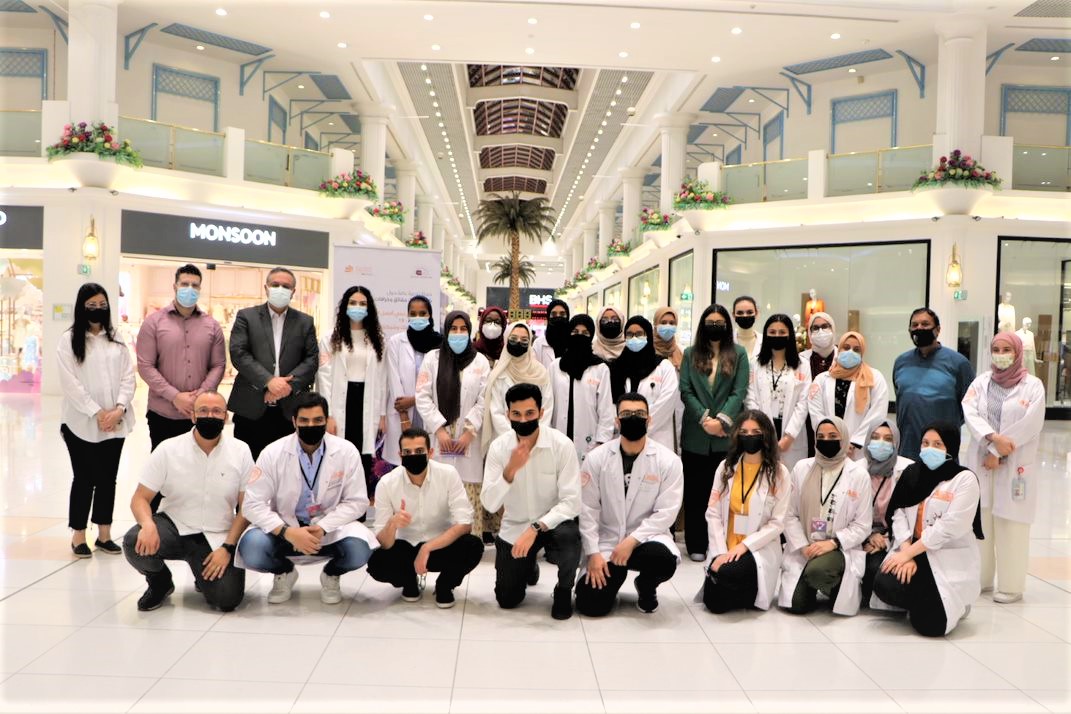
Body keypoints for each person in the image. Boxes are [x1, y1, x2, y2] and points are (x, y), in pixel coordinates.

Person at [237, 392, 377, 605]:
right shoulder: (272, 452)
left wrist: (322, 527)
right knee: (251, 548)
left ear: (327, 420)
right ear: (294, 421)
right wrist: (287, 532)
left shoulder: (346, 451)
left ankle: (331, 574)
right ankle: (284, 572)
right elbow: (251, 504)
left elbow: (358, 501)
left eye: (318, 420)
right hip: (284, 529)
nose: (311, 425)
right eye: (304, 420)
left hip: (328, 529)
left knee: (360, 549)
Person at [123, 391, 252, 612]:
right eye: (203, 411)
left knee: (227, 599)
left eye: (216, 411)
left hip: (217, 534)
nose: (209, 416)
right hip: (174, 526)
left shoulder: (240, 451)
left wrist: (228, 547)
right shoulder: (168, 449)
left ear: (226, 417)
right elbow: (140, 498)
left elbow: (246, 507)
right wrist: (147, 524)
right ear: (192, 416)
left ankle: (202, 575)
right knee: (135, 541)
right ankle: (160, 582)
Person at [575, 393, 683, 616]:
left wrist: (632, 541)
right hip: (608, 541)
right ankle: (615, 575)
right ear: (617, 421)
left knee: (663, 561)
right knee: (590, 605)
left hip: (646, 540)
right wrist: (593, 554)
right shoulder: (597, 459)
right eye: (626, 414)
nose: (633, 418)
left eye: (639, 414)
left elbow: (666, 513)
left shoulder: (668, 461)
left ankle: (646, 585)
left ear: (649, 420)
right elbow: (588, 510)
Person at [871, 423, 983, 636]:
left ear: (950, 447)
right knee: (885, 582)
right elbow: (898, 512)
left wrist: (907, 554)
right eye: (925, 443)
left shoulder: (964, 480)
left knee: (932, 627)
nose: (929, 449)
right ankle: (923, 599)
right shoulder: (912, 473)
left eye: (937, 444)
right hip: (913, 549)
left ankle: (950, 605)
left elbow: (949, 527)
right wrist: (906, 552)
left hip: (946, 554)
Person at [482, 383, 582, 620]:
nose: (523, 419)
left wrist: (536, 527)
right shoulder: (499, 448)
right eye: (516, 414)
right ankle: (529, 567)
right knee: (507, 600)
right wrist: (509, 471)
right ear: (507, 415)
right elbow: (489, 503)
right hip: (515, 525)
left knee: (570, 538)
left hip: (553, 525)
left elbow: (572, 502)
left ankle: (564, 590)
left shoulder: (561, 445)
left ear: (541, 413)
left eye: (530, 413)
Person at [962, 332, 1045, 603]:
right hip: (983, 461)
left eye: (1007, 348)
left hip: (1015, 467)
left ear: (1018, 352)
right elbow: (970, 411)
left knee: (1012, 526)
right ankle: (982, 579)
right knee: (981, 523)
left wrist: (997, 451)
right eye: (996, 348)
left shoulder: (1033, 386)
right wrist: (992, 439)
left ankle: (1011, 586)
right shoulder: (980, 382)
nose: (1001, 353)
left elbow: (1030, 425)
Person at [57, 283, 135, 558]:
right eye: (92, 305)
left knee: (107, 479)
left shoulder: (116, 338)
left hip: (115, 422)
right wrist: (97, 412)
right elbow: (71, 384)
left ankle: (104, 533)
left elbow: (128, 376)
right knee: (84, 477)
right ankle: (78, 534)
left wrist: (119, 409)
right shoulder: (68, 341)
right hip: (81, 423)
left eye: (103, 305)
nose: (98, 310)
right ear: (81, 307)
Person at [368, 428, 483, 608]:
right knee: (377, 562)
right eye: (407, 452)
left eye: (419, 451)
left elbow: (465, 524)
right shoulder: (386, 483)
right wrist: (392, 524)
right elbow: (382, 543)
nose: (413, 456)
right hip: (405, 548)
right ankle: (409, 582)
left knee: (473, 546)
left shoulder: (448, 474)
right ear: (400, 455)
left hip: (440, 546)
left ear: (430, 452)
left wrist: (427, 548)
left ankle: (445, 585)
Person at [779, 416, 871, 615]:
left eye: (832, 436)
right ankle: (815, 584)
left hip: (838, 547)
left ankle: (831, 584)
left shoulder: (858, 474)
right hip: (806, 546)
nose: (825, 440)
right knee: (796, 605)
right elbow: (789, 514)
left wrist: (834, 542)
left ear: (844, 439)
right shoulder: (802, 468)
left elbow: (863, 525)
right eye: (820, 436)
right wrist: (803, 547)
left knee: (818, 572)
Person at [679, 304, 750, 561]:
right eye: (711, 322)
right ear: (702, 325)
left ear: (727, 326)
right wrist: (704, 418)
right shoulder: (689, 354)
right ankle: (696, 543)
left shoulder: (739, 354)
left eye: (720, 322)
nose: (715, 326)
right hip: (696, 435)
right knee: (696, 492)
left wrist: (721, 421)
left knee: (722, 493)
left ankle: (718, 542)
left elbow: (738, 392)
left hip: (725, 435)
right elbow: (685, 390)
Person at [702, 410, 790, 614]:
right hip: (726, 544)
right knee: (713, 603)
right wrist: (720, 552)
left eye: (756, 432)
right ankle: (738, 587)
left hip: (757, 548)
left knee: (727, 575)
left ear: (766, 435)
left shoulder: (778, 473)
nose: (749, 437)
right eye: (744, 432)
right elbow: (713, 514)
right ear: (736, 435)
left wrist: (743, 547)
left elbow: (777, 524)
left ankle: (743, 587)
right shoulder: (726, 468)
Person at [227, 267, 319, 460]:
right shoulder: (247, 316)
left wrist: (287, 386)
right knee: (249, 468)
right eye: (275, 284)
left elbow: (311, 360)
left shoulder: (305, 322)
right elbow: (238, 353)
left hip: (289, 410)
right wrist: (268, 381)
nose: (280, 289)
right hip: (251, 409)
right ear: (266, 288)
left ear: (293, 291)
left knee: (286, 467)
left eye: (286, 286)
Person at [415, 311, 492, 537]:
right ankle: (438, 538)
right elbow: (422, 395)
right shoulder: (433, 358)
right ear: (446, 331)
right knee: (440, 485)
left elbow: (484, 399)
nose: (458, 333)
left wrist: (469, 431)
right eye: (453, 329)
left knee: (468, 488)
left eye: (463, 329)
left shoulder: (480, 361)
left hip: (470, 438)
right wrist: (439, 430)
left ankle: (469, 540)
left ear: (470, 331)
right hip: (441, 437)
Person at [135, 264, 225, 452]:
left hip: (201, 415)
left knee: (199, 468)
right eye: (185, 284)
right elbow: (145, 366)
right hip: (163, 413)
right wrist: (174, 396)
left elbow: (218, 365)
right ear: (175, 287)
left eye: (195, 285)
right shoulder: (153, 322)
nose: (190, 289)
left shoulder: (212, 325)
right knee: (164, 471)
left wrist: (200, 395)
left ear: (200, 289)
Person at [317, 285, 387, 487]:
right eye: (353, 303)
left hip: (366, 401)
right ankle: (335, 507)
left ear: (369, 308)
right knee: (338, 454)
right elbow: (325, 377)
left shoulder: (378, 339)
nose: (358, 307)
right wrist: (327, 414)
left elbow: (382, 380)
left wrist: (382, 415)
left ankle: (359, 511)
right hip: (341, 401)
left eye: (362, 303)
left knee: (362, 456)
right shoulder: (330, 338)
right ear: (345, 306)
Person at [893, 308, 975, 460]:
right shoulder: (901, 362)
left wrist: (945, 427)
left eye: (925, 324)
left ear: (937, 330)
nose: (919, 328)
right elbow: (901, 399)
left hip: (942, 447)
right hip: (907, 447)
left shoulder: (958, 363)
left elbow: (969, 406)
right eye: (914, 325)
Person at [809, 332, 889, 460]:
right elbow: (816, 412)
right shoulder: (822, 379)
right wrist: (832, 438)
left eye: (856, 350)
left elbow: (878, 412)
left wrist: (855, 442)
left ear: (862, 353)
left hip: (858, 451)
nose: (850, 352)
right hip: (828, 446)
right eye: (846, 347)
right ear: (839, 348)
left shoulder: (874, 377)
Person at [382, 295, 441, 467]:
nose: (418, 318)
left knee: (429, 464)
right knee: (403, 462)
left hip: (430, 412)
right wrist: (403, 417)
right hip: (404, 414)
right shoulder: (396, 342)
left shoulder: (440, 344)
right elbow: (394, 380)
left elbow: (439, 383)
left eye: (422, 313)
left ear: (430, 315)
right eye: (413, 313)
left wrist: (415, 400)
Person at [746, 314, 811, 468]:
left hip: (792, 434)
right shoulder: (755, 363)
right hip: (761, 431)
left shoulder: (802, 365)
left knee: (791, 484)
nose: (777, 336)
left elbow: (803, 402)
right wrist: (763, 431)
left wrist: (789, 436)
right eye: (772, 332)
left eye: (782, 332)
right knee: (763, 483)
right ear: (766, 334)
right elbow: (750, 398)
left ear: (790, 335)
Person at [860, 422, 913, 606]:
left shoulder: (908, 470)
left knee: (877, 569)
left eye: (888, 439)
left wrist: (886, 539)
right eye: (875, 437)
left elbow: (907, 516)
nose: (880, 443)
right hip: (861, 535)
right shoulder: (855, 470)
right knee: (862, 568)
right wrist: (868, 535)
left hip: (893, 537)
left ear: (896, 443)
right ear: (867, 441)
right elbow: (847, 513)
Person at [549, 315, 614, 464]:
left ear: (591, 336)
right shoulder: (555, 366)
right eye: (575, 331)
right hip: (557, 438)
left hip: (590, 444)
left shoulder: (600, 368)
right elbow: (548, 405)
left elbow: (605, 411)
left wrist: (600, 443)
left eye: (585, 333)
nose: (579, 336)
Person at [610, 316, 679, 451]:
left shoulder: (664, 366)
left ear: (648, 335)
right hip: (623, 438)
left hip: (656, 438)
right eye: (629, 334)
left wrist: (640, 425)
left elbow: (667, 402)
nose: (634, 338)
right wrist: (626, 425)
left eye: (639, 334)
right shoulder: (617, 367)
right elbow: (611, 403)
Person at [484, 322, 555, 447]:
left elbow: (547, 407)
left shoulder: (540, 372)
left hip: (535, 442)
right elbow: (496, 412)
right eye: (513, 339)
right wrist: (515, 439)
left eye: (524, 340)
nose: (518, 342)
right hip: (504, 442)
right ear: (506, 340)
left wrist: (533, 437)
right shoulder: (498, 372)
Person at [799, 311, 837, 457]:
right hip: (805, 423)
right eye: (815, 328)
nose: (820, 331)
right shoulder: (800, 360)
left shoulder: (843, 358)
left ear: (833, 329)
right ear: (809, 332)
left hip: (834, 423)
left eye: (825, 326)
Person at [653, 306, 686, 454]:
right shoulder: (648, 353)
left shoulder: (681, 353)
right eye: (663, 322)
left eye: (672, 323)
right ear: (655, 324)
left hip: (677, 414)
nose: (668, 326)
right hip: (654, 414)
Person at [533, 299, 570, 371]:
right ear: (548, 317)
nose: (558, 316)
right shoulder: (539, 344)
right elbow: (534, 371)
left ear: (567, 316)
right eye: (554, 314)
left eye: (562, 314)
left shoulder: (574, 342)